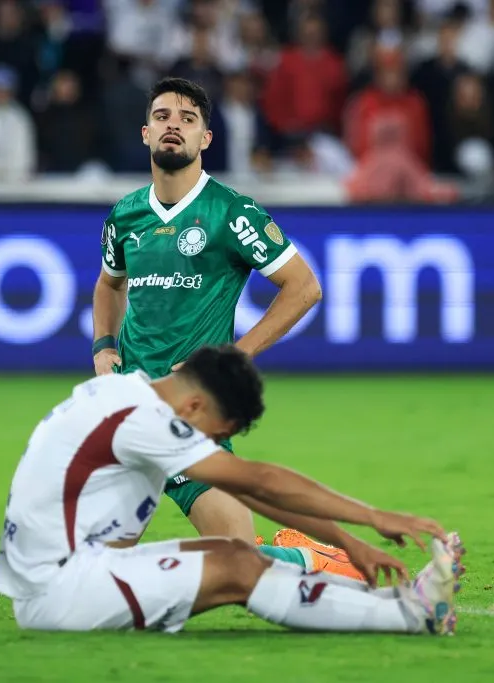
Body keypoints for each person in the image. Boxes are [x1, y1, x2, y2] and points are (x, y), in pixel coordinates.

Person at [0, 345, 466, 634]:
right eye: (219, 434)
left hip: (69, 574)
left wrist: (347, 542)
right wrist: (375, 517)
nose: (215, 444)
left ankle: (399, 606)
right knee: (238, 564)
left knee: (235, 552)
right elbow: (260, 480)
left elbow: (254, 494)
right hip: (60, 591)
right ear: (196, 404)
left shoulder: (129, 395)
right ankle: (411, 615)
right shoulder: (142, 418)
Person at [90, 76, 352, 576]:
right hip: (130, 407)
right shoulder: (125, 215)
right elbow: (109, 285)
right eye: (163, 116)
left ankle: (311, 558)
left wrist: (233, 357)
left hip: (192, 414)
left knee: (240, 560)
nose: (174, 127)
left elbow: (304, 287)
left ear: (205, 140)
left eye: (188, 120)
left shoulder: (231, 212)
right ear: (146, 132)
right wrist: (104, 346)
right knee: (94, 568)